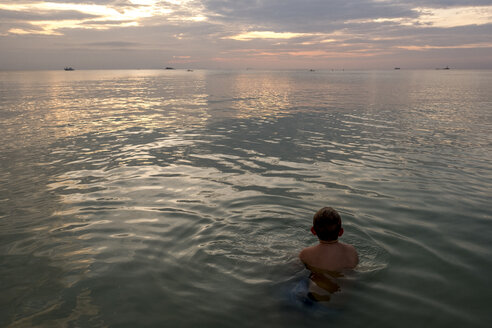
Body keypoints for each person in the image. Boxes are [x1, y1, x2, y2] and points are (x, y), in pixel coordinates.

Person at [298, 207, 358, 303]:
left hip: (314, 301)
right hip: (342, 303)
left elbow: (295, 271)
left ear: (313, 231)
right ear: (341, 232)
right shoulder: (352, 251)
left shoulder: (306, 253)